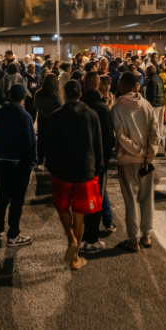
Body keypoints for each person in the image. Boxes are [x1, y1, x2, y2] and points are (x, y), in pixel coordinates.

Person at [44, 80, 103, 270]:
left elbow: (49, 145)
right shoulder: (91, 115)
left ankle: (71, 239)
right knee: (79, 214)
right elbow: (98, 144)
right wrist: (98, 167)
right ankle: (75, 256)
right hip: (85, 170)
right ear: (81, 94)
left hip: (61, 170)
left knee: (62, 207)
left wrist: (50, 165)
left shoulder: (56, 116)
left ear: (65, 94)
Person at [111, 72, 160, 252]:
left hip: (127, 159)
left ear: (122, 86)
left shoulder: (117, 108)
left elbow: (120, 136)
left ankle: (133, 239)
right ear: (136, 86)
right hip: (146, 161)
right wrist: (148, 155)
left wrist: (136, 151)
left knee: (130, 200)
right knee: (147, 198)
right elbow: (156, 133)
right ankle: (147, 235)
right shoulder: (147, 105)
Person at [0, 84, 37, 247]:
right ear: (23, 97)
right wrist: (32, 161)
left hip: (2, 161)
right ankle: (13, 234)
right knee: (16, 199)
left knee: (1, 197)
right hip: (19, 162)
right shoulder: (24, 117)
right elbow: (30, 142)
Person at [81, 72, 116, 251]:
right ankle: (92, 238)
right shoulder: (102, 108)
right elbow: (109, 138)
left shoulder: (77, 106)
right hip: (98, 161)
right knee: (96, 197)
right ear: (97, 84)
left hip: (79, 160)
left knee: (79, 198)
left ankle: (80, 237)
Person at [34, 73, 62, 167]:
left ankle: (40, 159)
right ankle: (51, 160)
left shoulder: (38, 93)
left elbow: (35, 105)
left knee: (41, 139)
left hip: (42, 119)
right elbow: (61, 107)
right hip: (54, 120)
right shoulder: (56, 95)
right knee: (53, 139)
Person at [144, 64, 166, 143]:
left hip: (154, 104)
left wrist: (149, 105)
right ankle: (161, 139)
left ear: (150, 70)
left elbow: (150, 93)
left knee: (154, 123)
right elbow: (164, 90)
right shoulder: (159, 77)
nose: (145, 72)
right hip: (161, 103)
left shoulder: (151, 80)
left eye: (147, 70)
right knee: (160, 123)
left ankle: (155, 140)